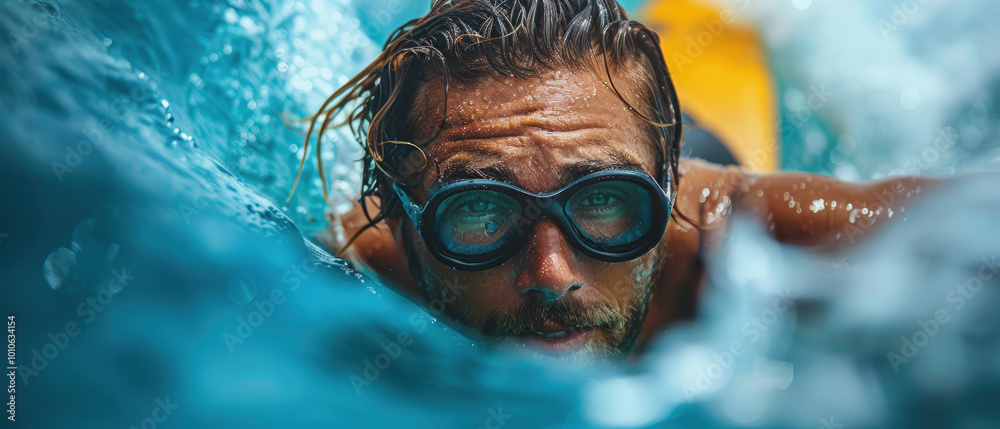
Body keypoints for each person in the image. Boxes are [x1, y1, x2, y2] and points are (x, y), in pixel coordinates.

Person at [294, 0, 936, 360]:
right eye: (481, 213)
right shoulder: (360, 270)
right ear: (396, 216)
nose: (550, 274)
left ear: (667, 183)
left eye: (604, 202)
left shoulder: (728, 233)